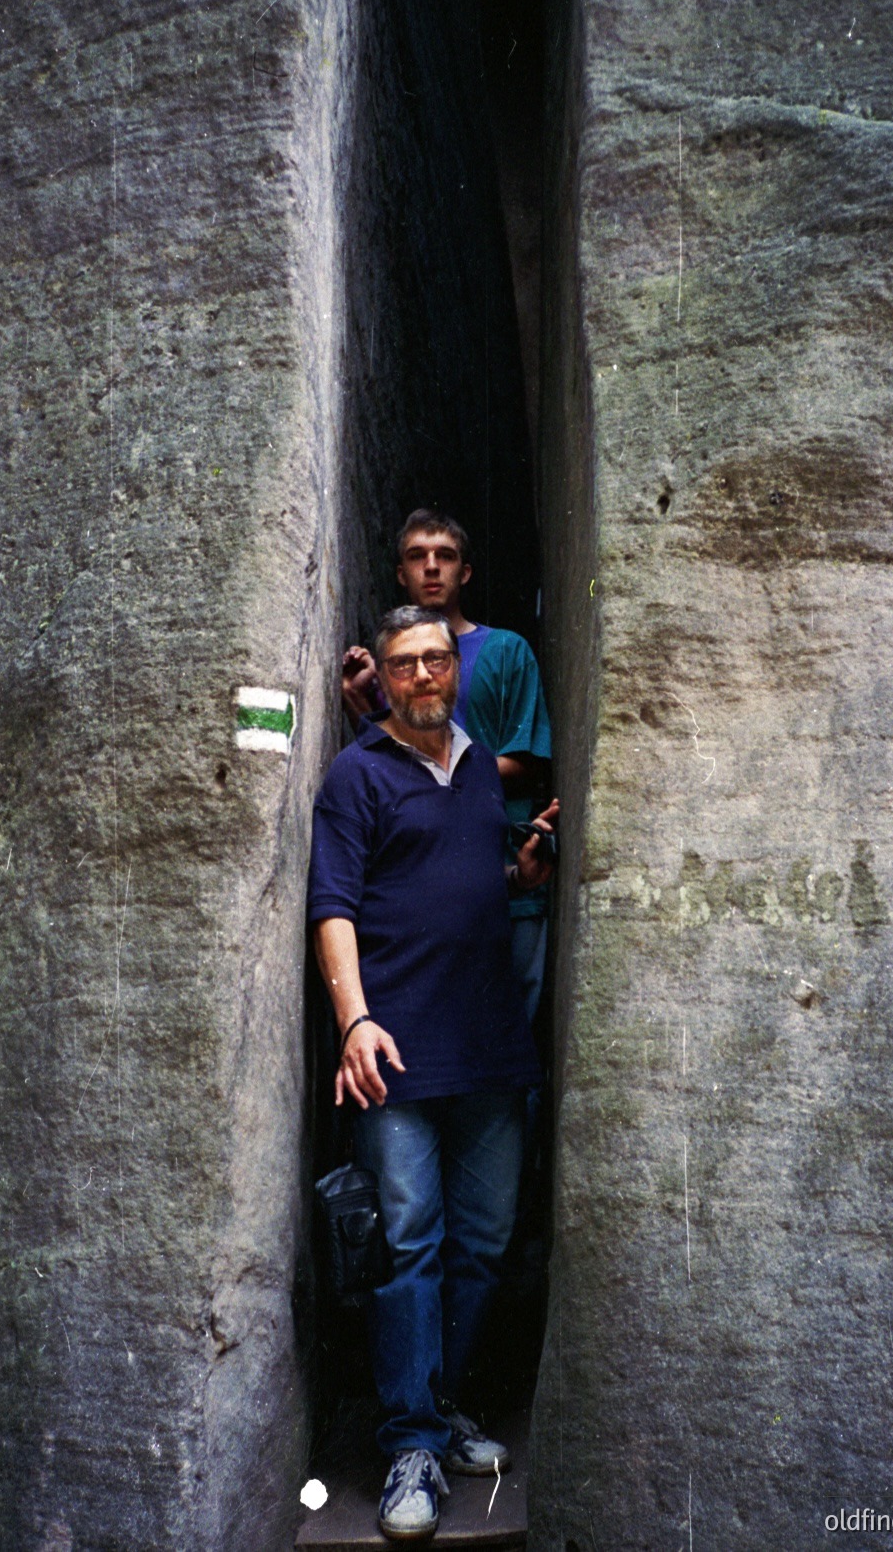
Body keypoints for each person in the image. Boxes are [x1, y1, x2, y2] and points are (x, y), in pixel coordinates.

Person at [310, 606, 559, 1543]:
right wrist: (355, 1022)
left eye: (437, 661)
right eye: (406, 663)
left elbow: (450, 885)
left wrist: (519, 879)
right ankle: (410, 1441)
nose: (423, 676)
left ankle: (441, 1402)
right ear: (386, 673)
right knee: (408, 1240)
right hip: (397, 1052)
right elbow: (334, 905)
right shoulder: (356, 774)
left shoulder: (473, 771)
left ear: (457, 669)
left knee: (484, 1239)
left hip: (490, 1044)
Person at [342, 508, 552, 1023]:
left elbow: (528, 761)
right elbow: (384, 761)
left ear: (466, 572)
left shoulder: (506, 651)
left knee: (509, 1037)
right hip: (416, 882)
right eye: (417, 557)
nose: (432, 567)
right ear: (400, 574)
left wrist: (441, 779)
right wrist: (361, 703)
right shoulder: (391, 665)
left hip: (505, 877)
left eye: (446, 556)